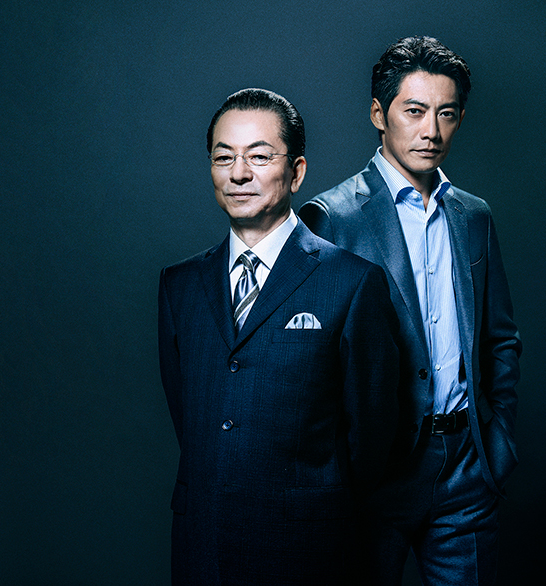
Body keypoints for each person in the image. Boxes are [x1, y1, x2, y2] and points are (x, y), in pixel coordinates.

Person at [299, 36, 522, 585]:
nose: (431, 131)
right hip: (375, 473)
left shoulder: (473, 216)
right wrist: (342, 472)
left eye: (447, 114)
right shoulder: (331, 218)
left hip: (466, 468)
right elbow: (311, 367)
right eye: (415, 111)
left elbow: (500, 337)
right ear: (380, 114)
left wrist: (498, 444)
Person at [158, 88, 400, 585]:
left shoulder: (352, 283)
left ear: (296, 171)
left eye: (259, 156)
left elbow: (372, 438)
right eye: (224, 157)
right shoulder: (179, 286)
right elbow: (190, 416)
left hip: (307, 548)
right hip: (202, 545)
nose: (239, 173)